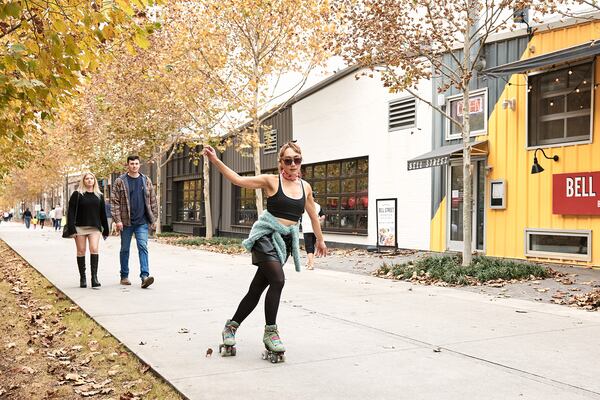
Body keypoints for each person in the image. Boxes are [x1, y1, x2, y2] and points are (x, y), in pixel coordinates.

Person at [202, 141, 327, 359]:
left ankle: (231, 326)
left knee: (256, 289)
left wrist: (320, 240)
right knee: (278, 280)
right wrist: (215, 160)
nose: (293, 164)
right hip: (265, 237)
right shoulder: (271, 181)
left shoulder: (305, 187)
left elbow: (313, 216)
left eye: (296, 160)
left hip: (284, 244)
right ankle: (271, 332)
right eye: (288, 160)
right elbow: (238, 180)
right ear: (281, 162)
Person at [111, 155, 158, 289]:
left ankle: (145, 276)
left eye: (136, 163)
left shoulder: (145, 180)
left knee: (143, 247)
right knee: (125, 249)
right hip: (126, 222)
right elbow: (115, 202)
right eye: (132, 164)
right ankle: (124, 276)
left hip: (142, 222)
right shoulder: (120, 181)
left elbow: (152, 200)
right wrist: (118, 220)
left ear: (139, 165)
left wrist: (154, 219)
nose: (134, 166)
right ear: (128, 165)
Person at [66, 172, 110, 288]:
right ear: (83, 181)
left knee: (94, 249)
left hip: (94, 227)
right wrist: (71, 228)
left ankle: (94, 278)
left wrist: (106, 229)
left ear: (94, 180)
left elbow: (103, 214)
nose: (90, 180)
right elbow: (70, 212)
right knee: (81, 251)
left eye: (91, 178)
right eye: (87, 179)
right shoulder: (77, 194)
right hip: (79, 227)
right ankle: (83, 278)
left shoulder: (99, 195)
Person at [301, 200, 325, 270]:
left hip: (307, 228)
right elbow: (323, 216)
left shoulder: (304, 205)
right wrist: (318, 220)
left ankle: (311, 264)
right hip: (315, 229)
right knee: (312, 245)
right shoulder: (318, 205)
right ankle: (309, 261)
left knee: (309, 246)